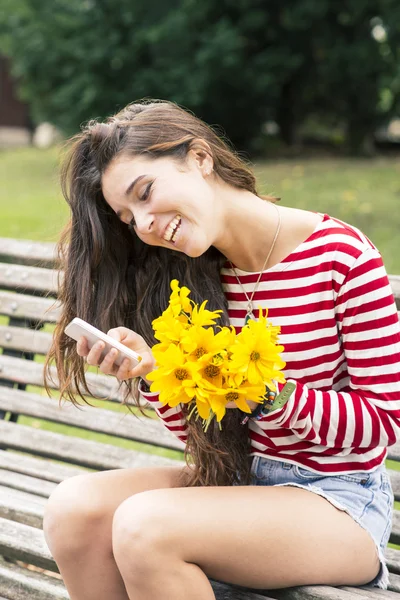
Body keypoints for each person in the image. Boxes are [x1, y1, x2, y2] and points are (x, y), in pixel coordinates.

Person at [43, 99, 400, 600]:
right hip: (236, 483)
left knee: (146, 527)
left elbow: (383, 422)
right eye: (128, 218)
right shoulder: (194, 275)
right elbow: (205, 438)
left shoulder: (341, 257)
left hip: (339, 499)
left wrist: (270, 395)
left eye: (144, 193)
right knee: (73, 510)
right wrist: (153, 371)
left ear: (200, 158)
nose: (144, 225)